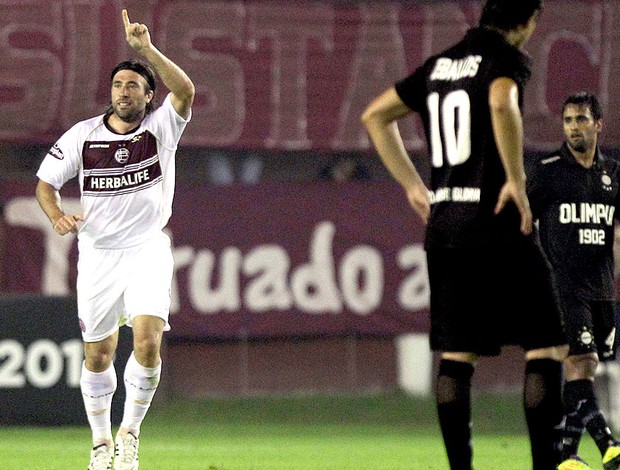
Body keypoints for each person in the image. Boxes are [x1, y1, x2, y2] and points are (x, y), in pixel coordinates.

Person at [361, 1, 568, 469]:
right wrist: (516, 179)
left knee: (457, 354)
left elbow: (374, 115)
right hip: (496, 218)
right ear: (525, 22)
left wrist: (414, 186)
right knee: (547, 344)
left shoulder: (439, 64)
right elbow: (501, 101)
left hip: (446, 224)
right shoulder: (505, 58)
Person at [35, 9, 194, 470]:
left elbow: (184, 90)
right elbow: (46, 184)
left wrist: (145, 50)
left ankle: (130, 435)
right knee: (99, 354)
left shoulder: (161, 130)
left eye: (133, 86)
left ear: (148, 96)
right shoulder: (83, 135)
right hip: (99, 254)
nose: (124, 92)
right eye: (118, 85)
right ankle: (101, 443)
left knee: (147, 343)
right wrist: (56, 215)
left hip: (147, 248)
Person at [528, 92, 620, 470]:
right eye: (567, 120)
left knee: (585, 368)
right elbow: (523, 220)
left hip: (601, 287)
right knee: (579, 359)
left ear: (598, 123)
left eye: (581, 119)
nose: (573, 127)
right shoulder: (548, 171)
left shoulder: (613, 174)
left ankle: (566, 455)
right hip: (562, 284)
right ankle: (609, 443)